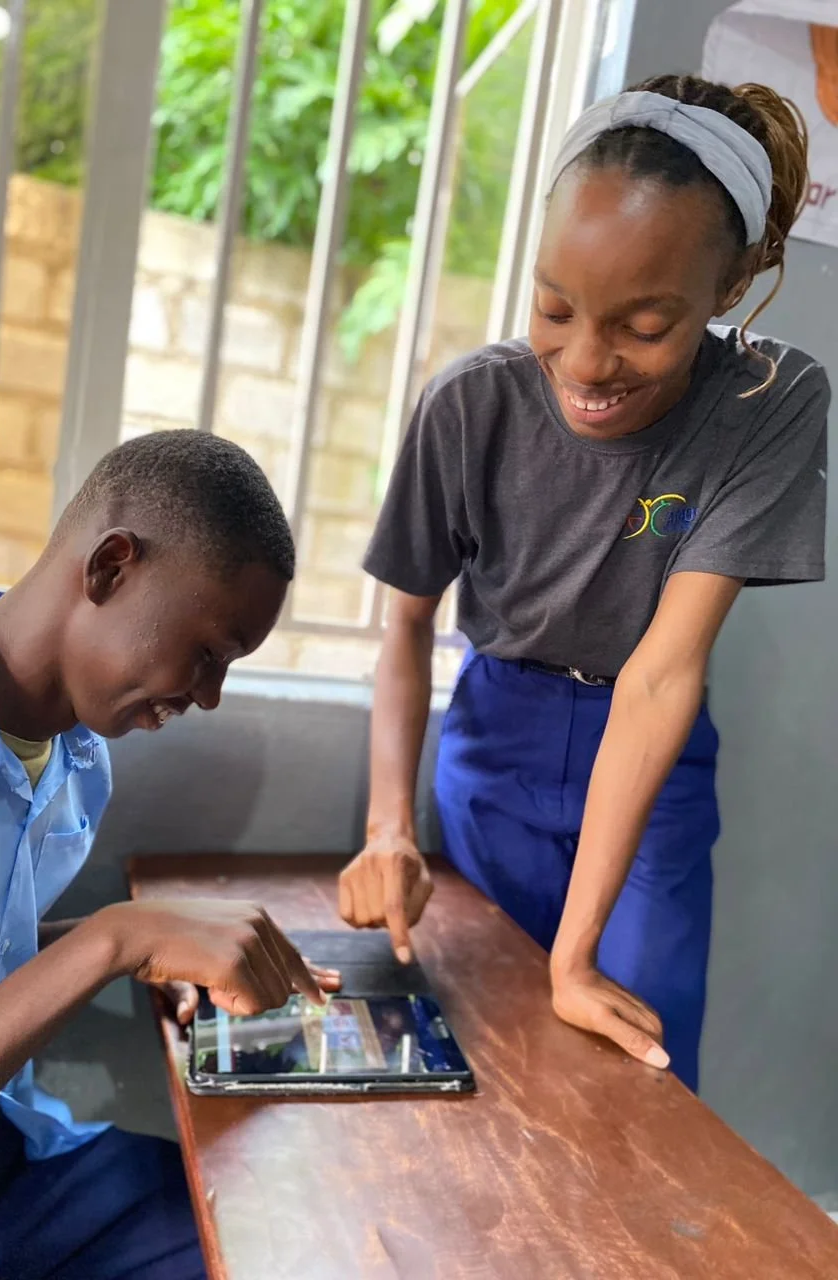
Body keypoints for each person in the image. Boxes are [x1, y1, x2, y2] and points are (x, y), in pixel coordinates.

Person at [339, 74, 828, 1093]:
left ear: (732, 286)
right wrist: (387, 825)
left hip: (652, 760)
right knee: (486, 1049)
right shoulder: (470, 405)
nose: (587, 361)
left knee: (642, 1068)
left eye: (644, 326)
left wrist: (578, 954)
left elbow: (663, 674)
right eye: (555, 307)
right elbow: (405, 627)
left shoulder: (771, 404)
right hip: (495, 745)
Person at [0, 430, 340, 1280]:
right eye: (209, 654)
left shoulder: (78, 759)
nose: (209, 696)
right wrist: (114, 940)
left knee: (295, 1235)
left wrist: (163, 945)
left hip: (15, 1154)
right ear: (110, 568)